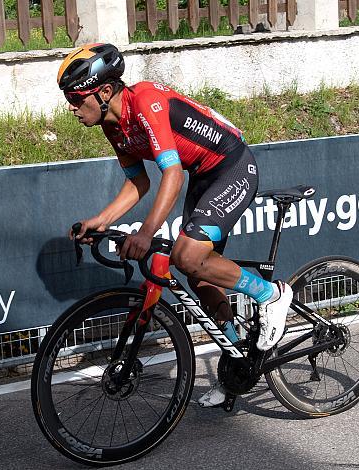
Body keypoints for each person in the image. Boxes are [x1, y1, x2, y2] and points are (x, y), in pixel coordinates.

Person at [61, 43, 293, 408]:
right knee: (200, 277)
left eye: (76, 99)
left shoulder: (146, 101)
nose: (72, 109)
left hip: (232, 165)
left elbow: (170, 174)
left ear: (104, 92)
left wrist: (146, 231)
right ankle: (237, 365)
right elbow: (138, 183)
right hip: (203, 175)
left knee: (186, 256)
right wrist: (99, 221)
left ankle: (272, 295)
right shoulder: (113, 126)